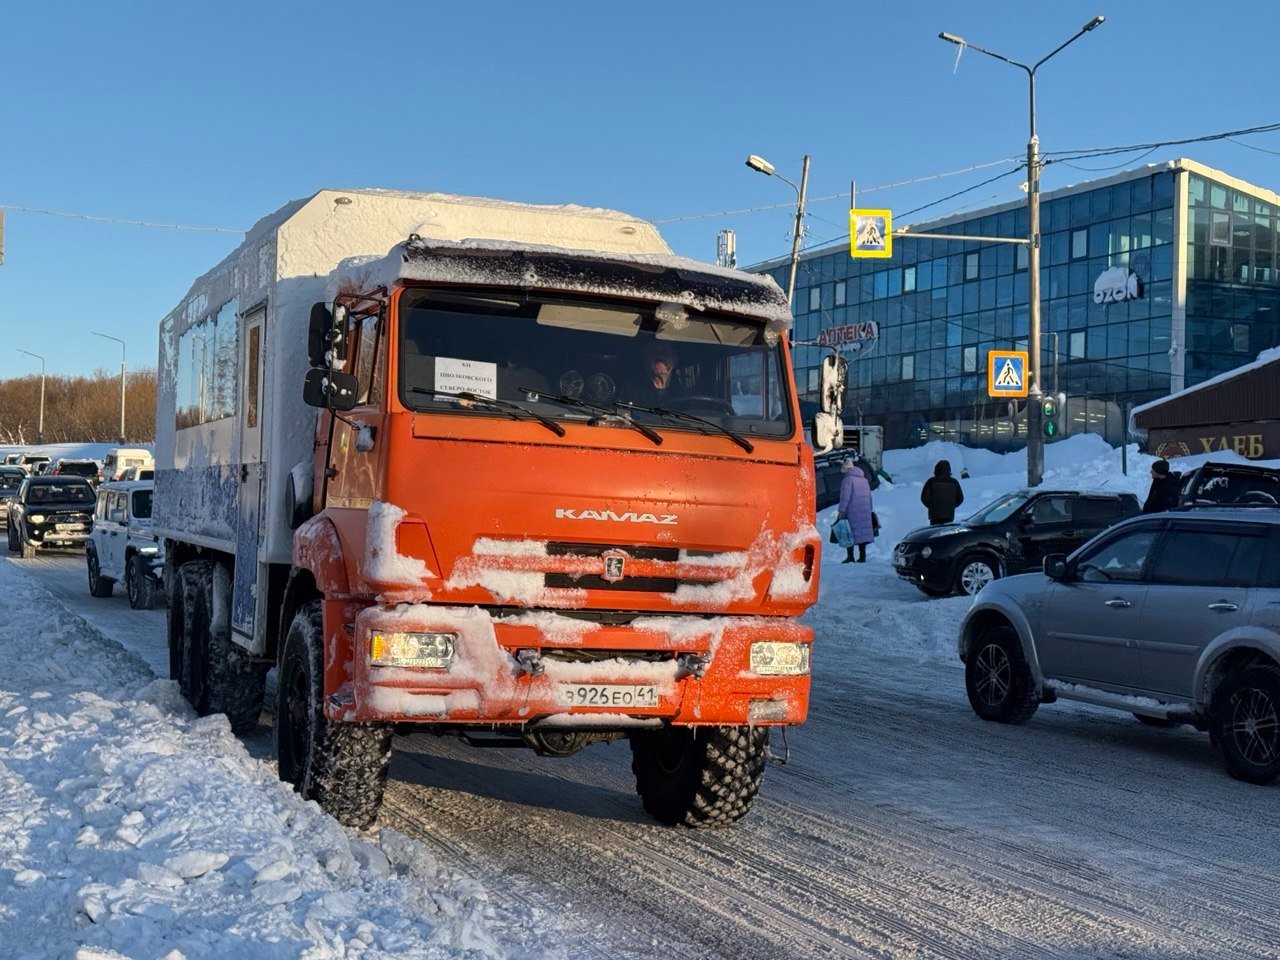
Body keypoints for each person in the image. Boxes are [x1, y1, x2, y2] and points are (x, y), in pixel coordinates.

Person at [837, 458, 875, 563]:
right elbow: (869, 496)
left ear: (846, 469)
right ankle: (862, 557)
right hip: (865, 510)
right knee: (861, 534)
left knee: (849, 532)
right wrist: (869, 508)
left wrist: (841, 510)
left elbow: (845, 497)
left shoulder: (847, 480)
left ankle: (850, 556)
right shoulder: (864, 480)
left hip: (852, 511)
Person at [622, 340, 681, 407]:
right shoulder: (628, 391)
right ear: (645, 359)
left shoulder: (683, 395)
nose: (660, 355)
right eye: (654, 351)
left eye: (664, 351)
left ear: (675, 360)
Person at [921, 459, 964, 525]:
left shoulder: (931, 481)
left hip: (934, 515)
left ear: (936, 469)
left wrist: (932, 506)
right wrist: (951, 505)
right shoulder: (954, 482)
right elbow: (960, 498)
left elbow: (924, 497)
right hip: (949, 515)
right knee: (947, 530)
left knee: (935, 531)